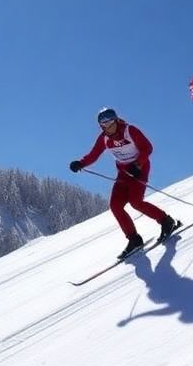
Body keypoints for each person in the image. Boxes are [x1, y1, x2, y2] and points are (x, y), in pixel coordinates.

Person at [69, 107, 178, 259]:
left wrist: (138, 164)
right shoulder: (104, 138)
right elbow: (94, 154)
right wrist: (80, 163)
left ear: (116, 120)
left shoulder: (129, 130)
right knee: (115, 205)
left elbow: (147, 148)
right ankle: (134, 239)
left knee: (135, 202)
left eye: (110, 122)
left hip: (139, 169)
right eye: (103, 124)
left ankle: (166, 221)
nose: (107, 127)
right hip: (123, 173)